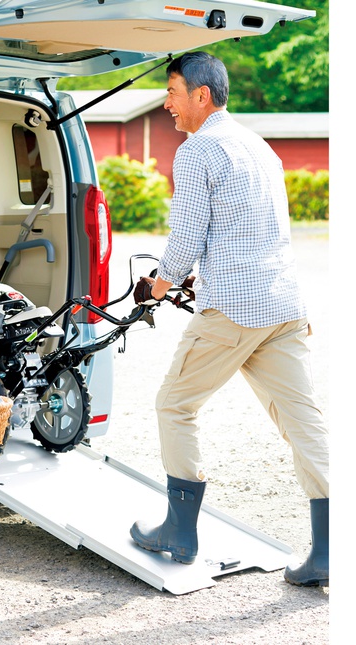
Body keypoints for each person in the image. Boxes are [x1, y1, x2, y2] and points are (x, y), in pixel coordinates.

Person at [130, 51, 329, 587]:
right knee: (304, 423)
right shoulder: (259, 147)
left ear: (201, 95)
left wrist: (158, 284)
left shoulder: (198, 150)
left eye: (172, 93)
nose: (167, 104)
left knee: (174, 403)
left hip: (235, 310)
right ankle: (329, 551)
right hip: (283, 306)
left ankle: (179, 530)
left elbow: (187, 237)